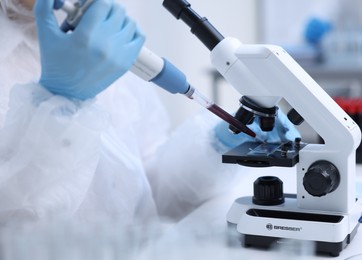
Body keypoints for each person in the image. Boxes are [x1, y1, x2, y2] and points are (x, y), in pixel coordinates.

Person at [0, 0, 299, 226]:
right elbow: (13, 229)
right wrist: (59, 104)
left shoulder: (107, 53)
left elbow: (154, 193)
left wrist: (217, 146)